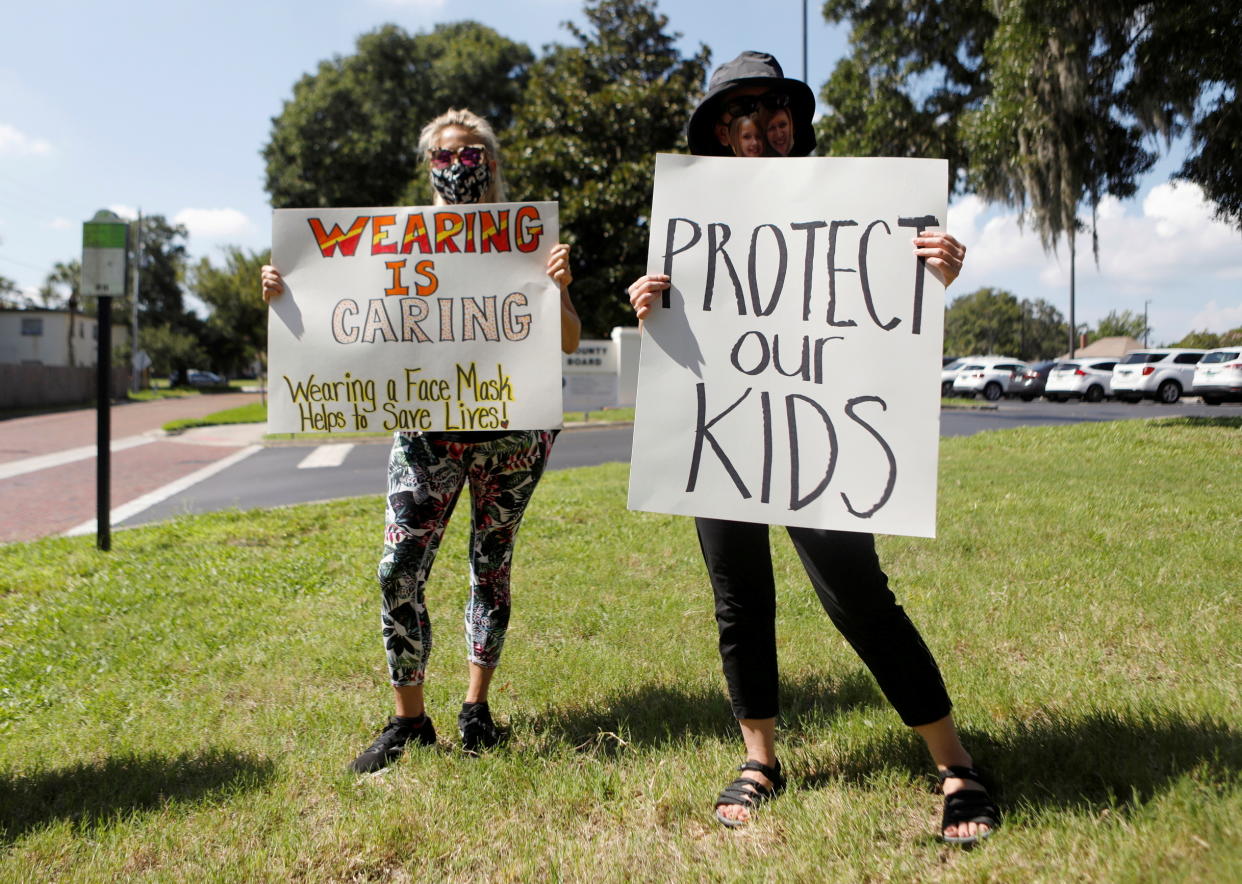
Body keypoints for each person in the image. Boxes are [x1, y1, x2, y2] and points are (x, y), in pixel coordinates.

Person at [627, 51, 999, 845]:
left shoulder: (859, 205)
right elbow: (681, 327)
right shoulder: (695, 222)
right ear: (718, 134)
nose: (756, 122)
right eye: (736, 112)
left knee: (856, 591)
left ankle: (956, 761)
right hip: (725, 432)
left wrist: (938, 272)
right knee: (739, 596)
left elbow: (879, 313)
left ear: (795, 120)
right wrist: (649, 303)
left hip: (821, 434)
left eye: (770, 105)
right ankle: (760, 758)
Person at [262, 108, 581, 772]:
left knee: (490, 567)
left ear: (491, 163)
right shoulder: (388, 244)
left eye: (468, 155)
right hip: (428, 433)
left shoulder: (524, 242)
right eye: (443, 155)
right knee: (397, 571)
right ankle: (409, 722)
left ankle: (475, 711)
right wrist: (287, 295)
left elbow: (568, 341)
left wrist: (559, 291)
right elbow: (338, 321)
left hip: (512, 432)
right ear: (427, 164)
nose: (455, 166)